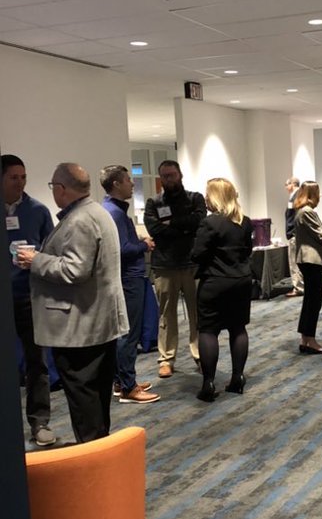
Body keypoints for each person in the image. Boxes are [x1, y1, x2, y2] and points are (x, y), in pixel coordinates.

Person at [17, 163, 128, 443]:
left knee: (84, 401)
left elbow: (74, 271)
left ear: (62, 189)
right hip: (95, 323)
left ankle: (93, 459)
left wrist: (36, 261)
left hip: (81, 329)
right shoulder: (97, 213)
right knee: (96, 397)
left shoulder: (79, 220)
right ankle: (100, 451)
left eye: (53, 187)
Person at [3, 154, 57, 446]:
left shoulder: (37, 211)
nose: (21, 183)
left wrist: (36, 259)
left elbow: (51, 251)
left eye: (23, 177)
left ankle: (40, 423)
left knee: (37, 362)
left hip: (28, 297)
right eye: (14, 177)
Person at [100, 165, 160, 404]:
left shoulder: (113, 211)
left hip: (126, 278)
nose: (132, 184)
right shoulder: (114, 213)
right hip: (128, 279)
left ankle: (121, 381)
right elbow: (122, 250)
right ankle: (128, 387)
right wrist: (144, 245)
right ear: (116, 184)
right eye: (127, 180)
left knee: (125, 331)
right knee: (128, 333)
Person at [191, 178, 254, 401]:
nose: (205, 198)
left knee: (208, 330)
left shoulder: (210, 223)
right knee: (238, 328)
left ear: (216, 197)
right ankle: (237, 377)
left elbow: (197, 254)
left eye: (208, 194)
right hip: (242, 281)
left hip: (215, 282)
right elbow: (248, 250)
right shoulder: (244, 222)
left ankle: (208, 383)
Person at [144, 160, 206, 379]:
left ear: (180, 175)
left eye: (172, 175)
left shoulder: (195, 198)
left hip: (193, 264)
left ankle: (201, 355)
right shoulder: (154, 202)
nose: (168, 179)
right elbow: (154, 229)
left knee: (198, 314)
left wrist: (172, 225)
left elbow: (199, 221)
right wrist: (183, 228)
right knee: (166, 316)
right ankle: (166, 359)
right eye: (164, 176)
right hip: (164, 265)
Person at [294, 181, 322, 354]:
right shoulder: (307, 212)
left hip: (306, 259)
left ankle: (305, 339)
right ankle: (310, 340)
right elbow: (321, 235)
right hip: (311, 260)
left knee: (310, 300)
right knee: (314, 301)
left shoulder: (301, 211)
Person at [284, 175, 304, 298]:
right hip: (296, 233)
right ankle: (300, 286)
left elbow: (293, 217)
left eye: (286, 185)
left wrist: (291, 231)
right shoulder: (298, 196)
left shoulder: (295, 197)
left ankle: (298, 287)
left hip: (294, 233)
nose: (286, 187)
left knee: (294, 262)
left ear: (292, 184)